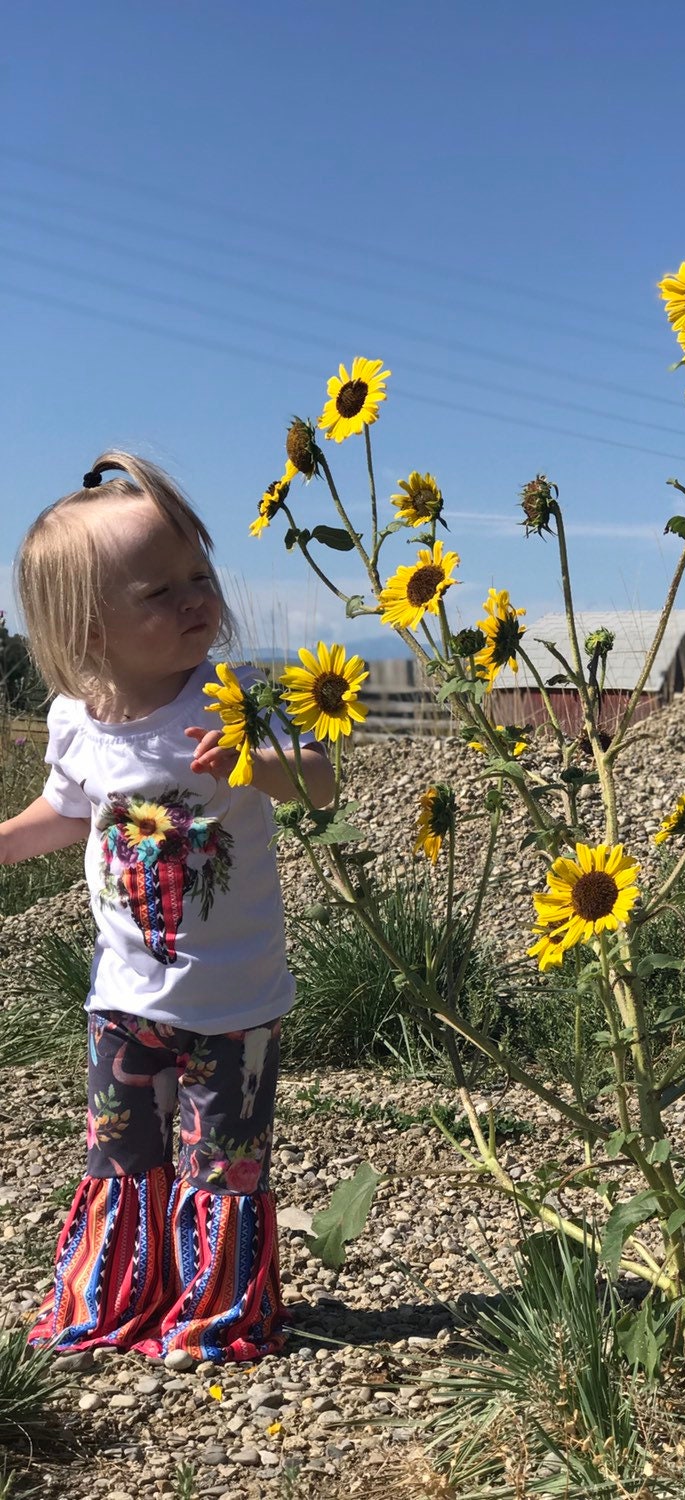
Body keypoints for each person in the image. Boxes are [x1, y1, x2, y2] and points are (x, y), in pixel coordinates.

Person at [0, 452, 334, 1365]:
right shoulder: (79, 716)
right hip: (121, 998)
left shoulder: (233, 696)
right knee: (120, 1157)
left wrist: (251, 765)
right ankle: (111, 1299)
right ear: (89, 630)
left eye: (200, 574)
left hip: (232, 1005)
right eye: (160, 590)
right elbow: (68, 813)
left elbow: (321, 779)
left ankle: (216, 1317)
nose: (197, 599)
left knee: (222, 1163)